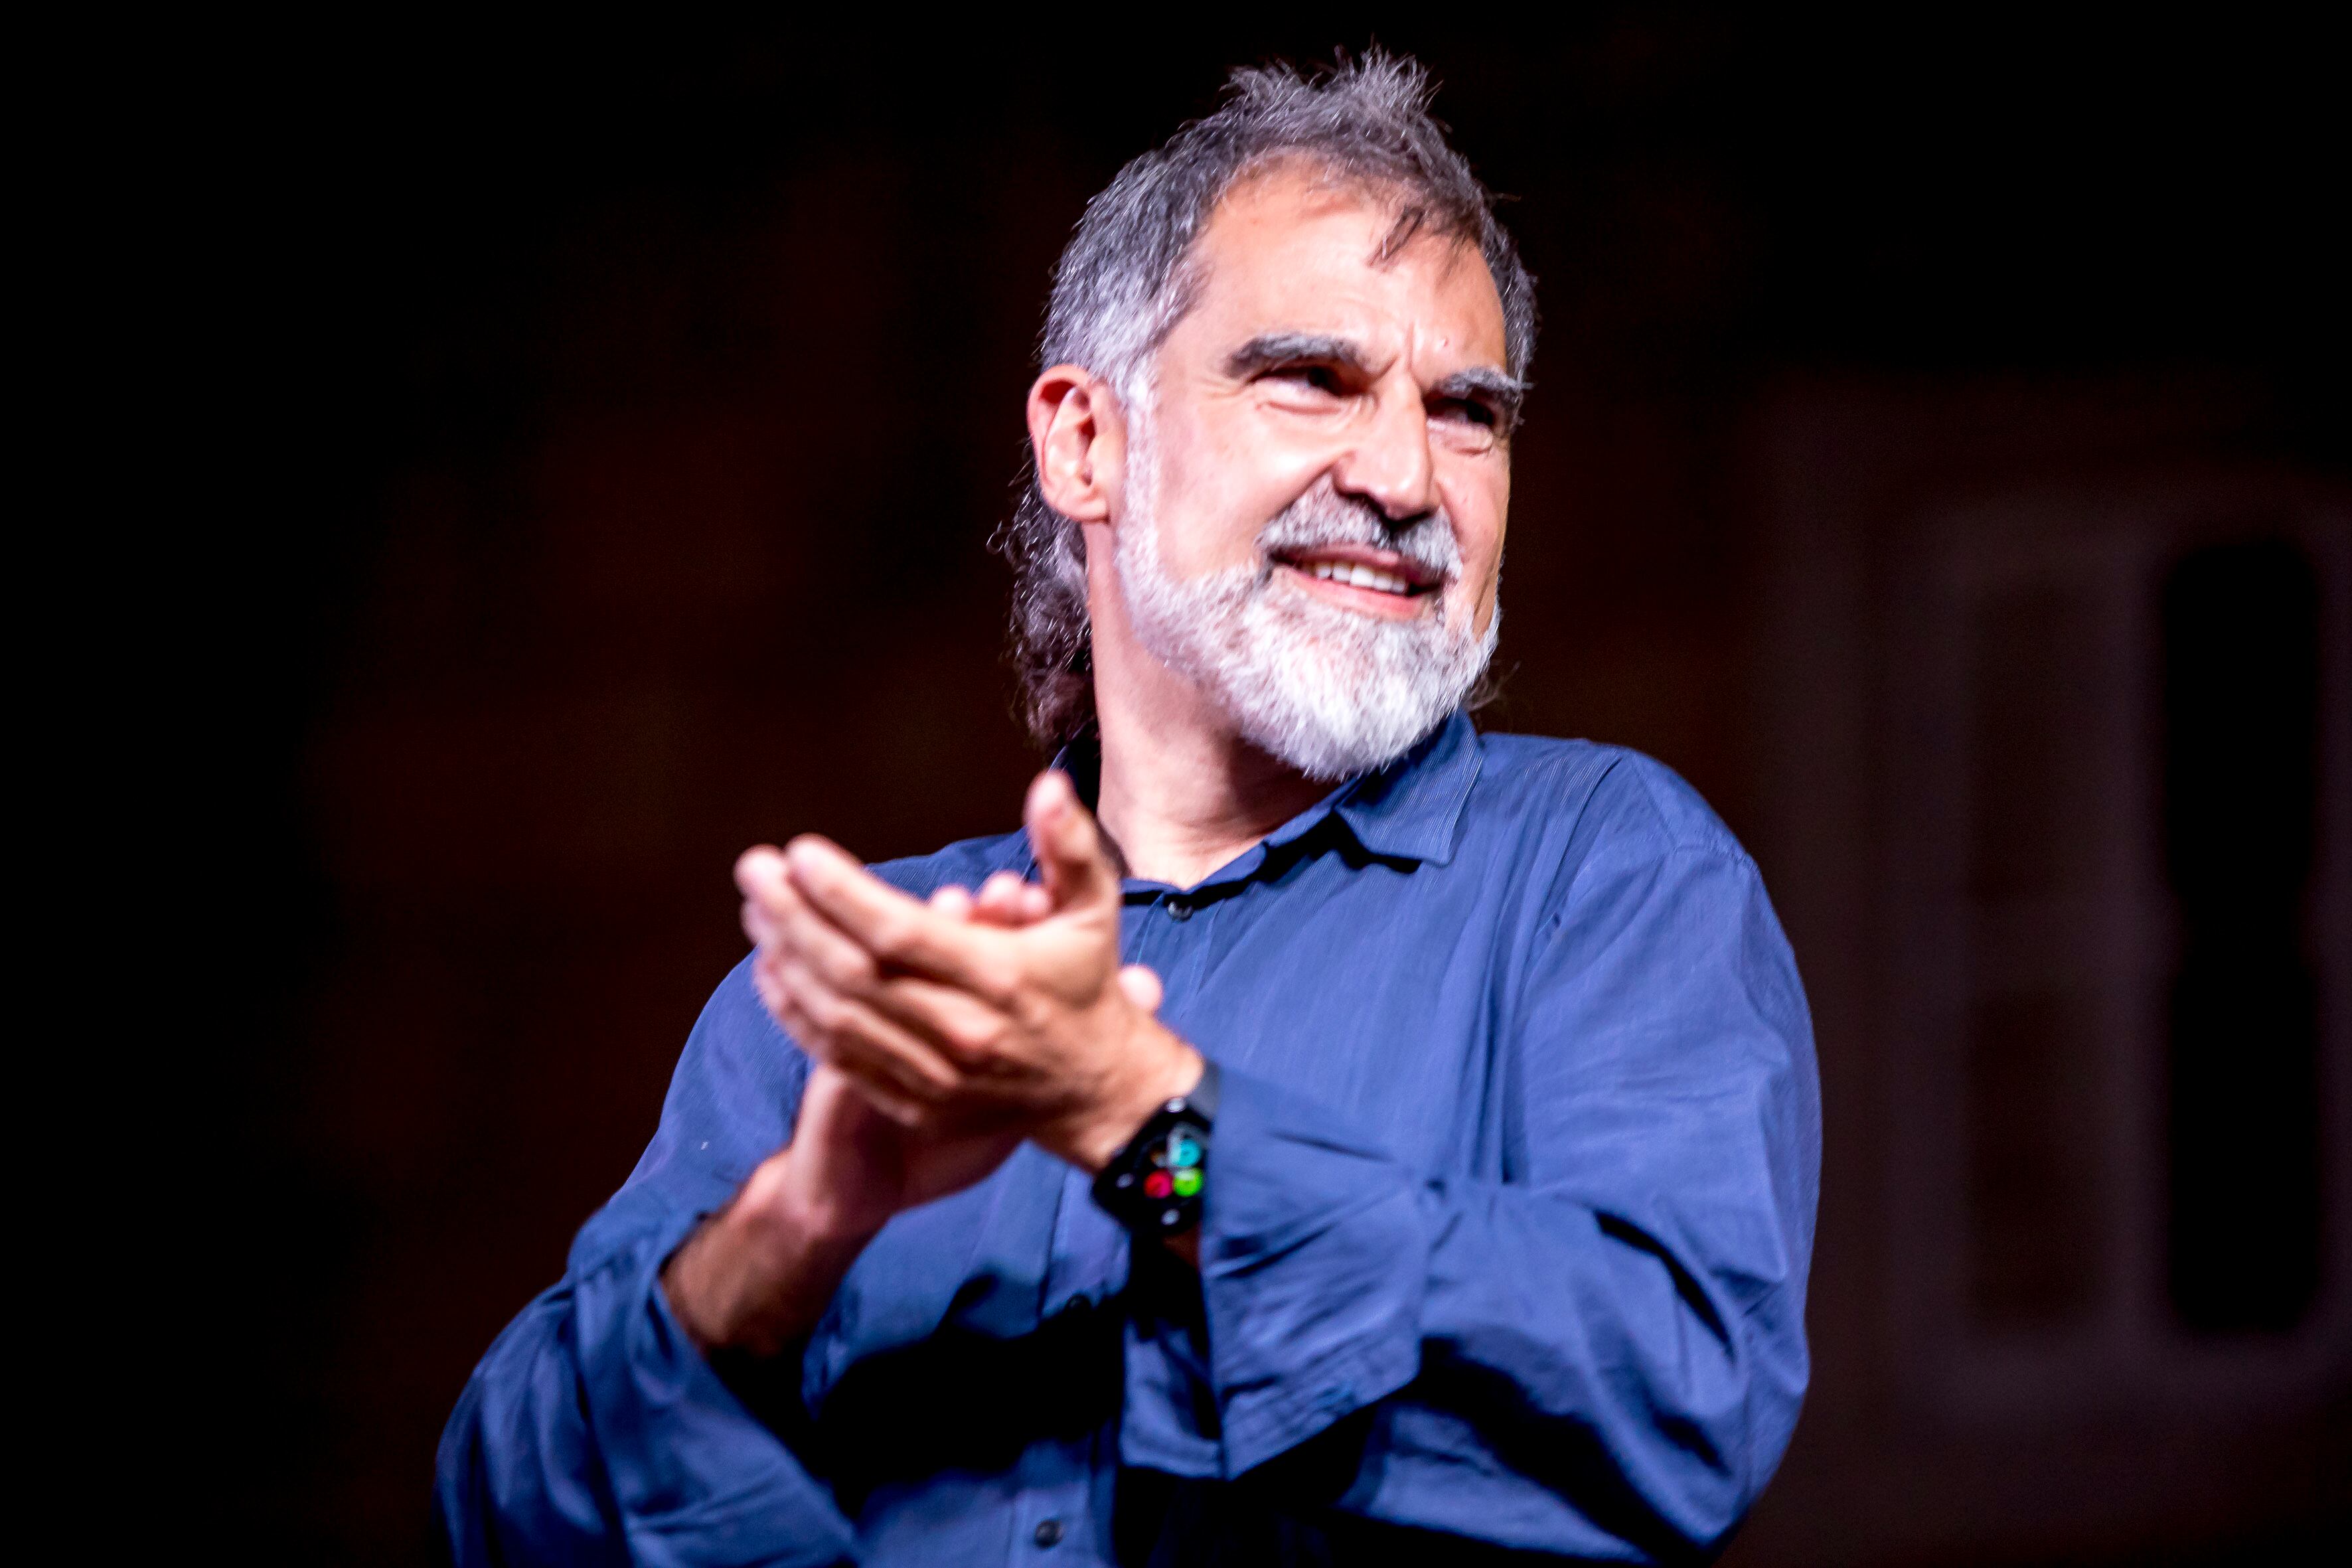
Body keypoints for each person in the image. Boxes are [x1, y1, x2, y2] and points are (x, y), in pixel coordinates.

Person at [437, 54, 1819, 1566]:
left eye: (1467, 409)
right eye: (1312, 375)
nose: (1406, 476)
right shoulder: (845, 1002)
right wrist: (787, 1236)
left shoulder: (1600, 878)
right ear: (1084, 442)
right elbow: (509, 1512)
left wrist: (1134, 1116)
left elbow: (1672, 1405)